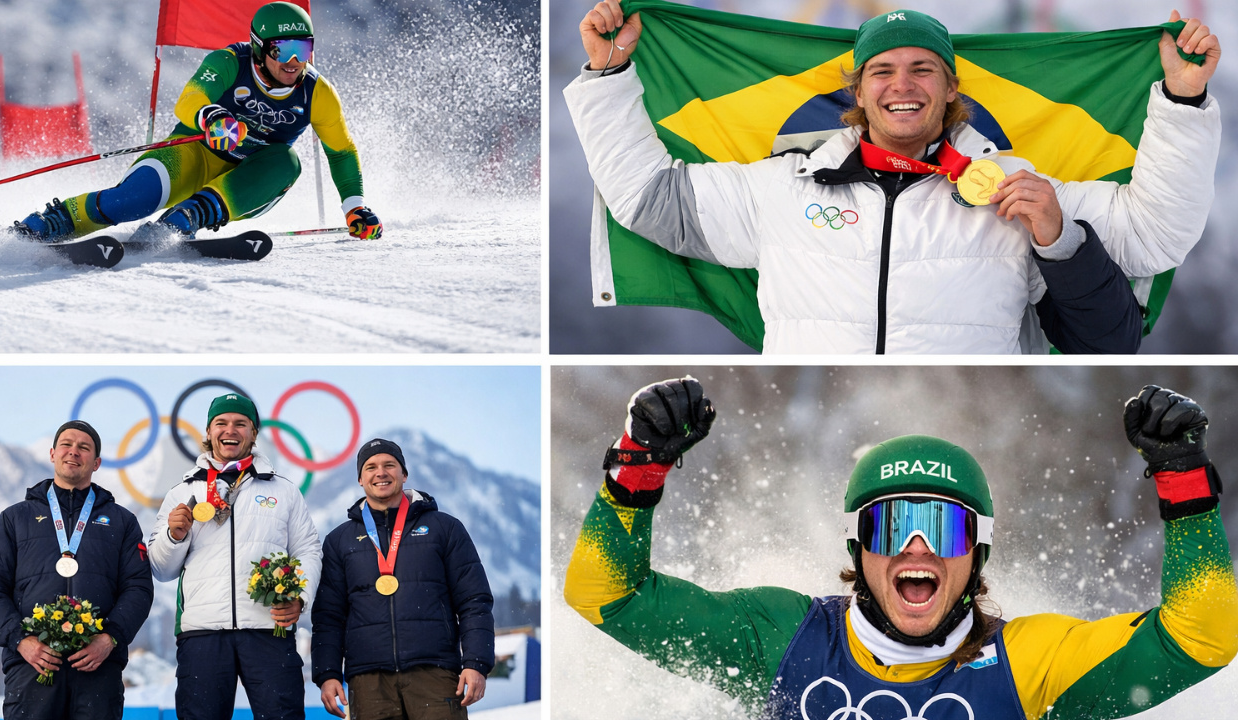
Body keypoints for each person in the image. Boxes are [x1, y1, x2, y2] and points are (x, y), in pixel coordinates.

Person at [566, 3, 1222, 354]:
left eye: (921, 69)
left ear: (949, 89)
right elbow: (648, 196)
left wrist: (1182, 104)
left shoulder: (1014, 189)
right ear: (859, 90)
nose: (901, 85)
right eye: (882, 71)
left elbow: (1154, 236)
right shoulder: (784, 187)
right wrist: (607, 78)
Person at [564, 378, 1237, 719]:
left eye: (943, 529)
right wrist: (635, 472)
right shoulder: (782, 638)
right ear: (859, 550)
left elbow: (1203, 639)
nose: (918, 549)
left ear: (978, 554)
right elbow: (604, 596)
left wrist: (1183, 484)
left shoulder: (1028, 665)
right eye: (892, 528)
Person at [13, 1, 383, 243]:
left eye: (303, 49)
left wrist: (354, 205)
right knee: (133, 200)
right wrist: (213, 116)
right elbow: (189, 101)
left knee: (287, 160)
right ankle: (54, 221)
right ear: (259, 48)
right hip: (193, 150)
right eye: (282, 50)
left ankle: (187, 218)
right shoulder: (229, 62)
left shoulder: (317, 92)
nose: (294, 62)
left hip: (249, 178)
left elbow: (341, 151)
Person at [147, 393, 322, 720]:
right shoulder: (182, 492)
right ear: (209, 432)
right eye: (222, 423)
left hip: (269, 629)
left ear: (254, 433)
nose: (231, 430)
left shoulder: (282, 490)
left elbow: (308, 549)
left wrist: (300, 596)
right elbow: (161, 568)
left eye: (241, 423)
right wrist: (174, 536)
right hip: (202, 633)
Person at [0, 421, 154, 720]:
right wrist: (21, 641)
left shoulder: (122, 521)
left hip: (99, 668)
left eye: (84, 447)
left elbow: (138, 589)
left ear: (96, 462)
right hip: (33, 667)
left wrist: (109, 639)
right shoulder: (15, 518)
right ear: (52, 453)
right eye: (67, 444)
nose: (74, 451)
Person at [311, 438, 495, 720]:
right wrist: (328, 673)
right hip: (369, 681)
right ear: (360, 479)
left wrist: (476, 662)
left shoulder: (444, 528)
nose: (380, 472)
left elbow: (474, 601)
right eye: (371, 467)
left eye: (389, 465)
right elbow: (329, 616)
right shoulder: (340, 540)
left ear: (404, 474)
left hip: (435, 674)